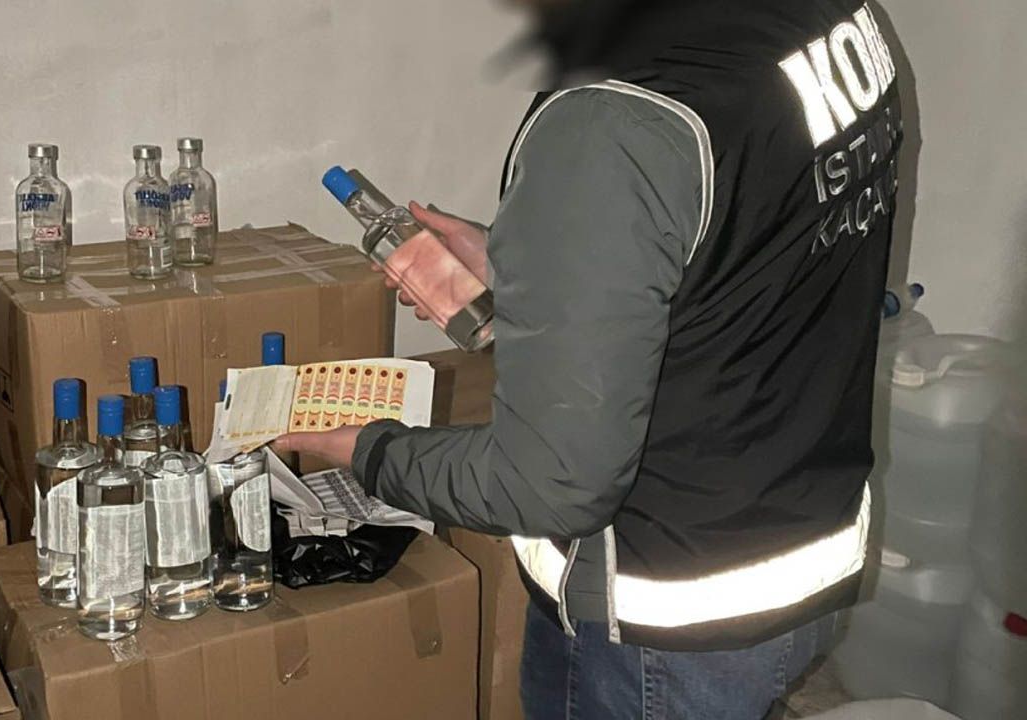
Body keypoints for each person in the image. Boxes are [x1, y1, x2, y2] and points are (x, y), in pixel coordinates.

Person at [277, 0, 906, 717]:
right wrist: (547, 265)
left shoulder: (612, 120)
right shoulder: (829, 11)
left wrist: (372, 452)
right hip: (801, 552)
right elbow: (756, 243)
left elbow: (552, 485)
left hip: (659, 626)